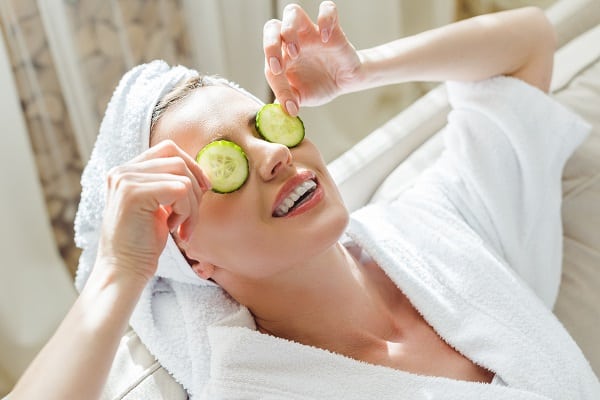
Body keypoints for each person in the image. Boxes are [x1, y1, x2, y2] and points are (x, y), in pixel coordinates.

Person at [7, 2, 599, 399]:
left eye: (266, 124)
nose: (273, 154)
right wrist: (118, 269)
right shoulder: (258, 386)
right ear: (192, 256)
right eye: (223, 166)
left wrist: (360, 71)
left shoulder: (433, 226)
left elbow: (530, 42)